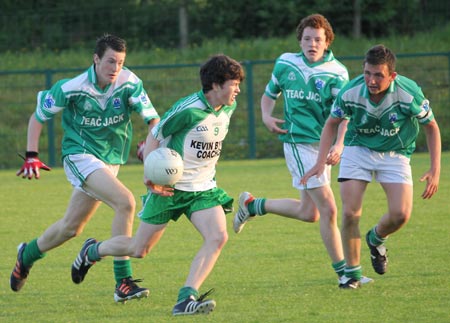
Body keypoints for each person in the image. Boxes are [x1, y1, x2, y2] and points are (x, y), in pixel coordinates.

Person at [70, 54, 245, 315]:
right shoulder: (188, 109)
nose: (238, 89)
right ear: (217, 85)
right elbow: (155, 135)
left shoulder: (228, 107)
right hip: (169, 189)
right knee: (139, 249)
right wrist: (149, 176)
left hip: (203, 188)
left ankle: (186, 298)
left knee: (218, 236)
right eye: (234, 83)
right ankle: (94, 250)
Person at [11, 34, 160, 302]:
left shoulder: (129, 83)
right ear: (96, 59)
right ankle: (123, 282)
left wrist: (152, 146)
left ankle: (28, 254)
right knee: (125, 202)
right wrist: (32, 154)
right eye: (110, 61)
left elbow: (153, 120)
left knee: (71, 228)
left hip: (110, 160)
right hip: (79, 155)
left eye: (120, 62)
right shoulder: (72, 87)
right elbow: (38, 117)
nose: (115, 68)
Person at [232, 13, 369, 285]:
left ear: (327, 42)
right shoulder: (286, 63)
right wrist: (266, 116)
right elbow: (269, 94)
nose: (312, 43)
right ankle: (346, 274)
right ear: (300, 40)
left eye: (318, 39)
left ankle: (253, 205)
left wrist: (339, 143)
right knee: (329, 209)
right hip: (296, 142)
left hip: (322, 147)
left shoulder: (337, 73)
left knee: (311, 213)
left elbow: (344, 114)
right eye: (307, 38)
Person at [301, 44, 441, 289]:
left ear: (392, 76)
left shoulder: (409, 92)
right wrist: (319, 161)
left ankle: (376, 238)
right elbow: (331, 124)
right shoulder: (351, 91)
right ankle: (351, 276)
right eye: (367, 73)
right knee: (349, 213)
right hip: (358, 148)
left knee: (401, 214)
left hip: (395, 152)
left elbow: (432, 127)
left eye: (378, 75)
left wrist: (434, 170)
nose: (371, 80)